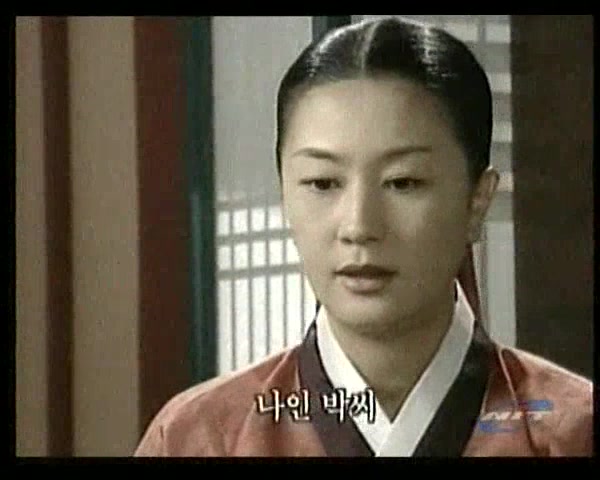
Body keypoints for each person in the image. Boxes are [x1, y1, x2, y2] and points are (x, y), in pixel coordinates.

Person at [134, 17, 593, 457]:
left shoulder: (574, 431)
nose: (359, 227)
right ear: (284, 196)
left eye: (403, 182)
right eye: (322, 183)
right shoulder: (198, 437)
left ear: (477, 200)